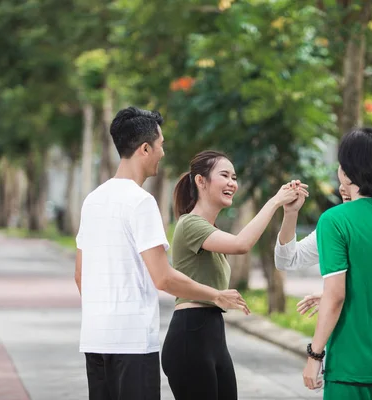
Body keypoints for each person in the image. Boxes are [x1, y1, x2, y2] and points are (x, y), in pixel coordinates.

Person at [75, 108, 249, 400]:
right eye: (160, 145)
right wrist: (215, 295)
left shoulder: (92, 200)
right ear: (145, 149)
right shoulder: (141, 202)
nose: (163, 153)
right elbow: (163, 277)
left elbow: (81, 276)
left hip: (94, 339)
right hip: (131, 342)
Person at [161, 150, 307, 400]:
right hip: (190, 337)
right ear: (200, 180)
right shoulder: (190, 224)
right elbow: (242, 244)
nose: (232, 183)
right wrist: (274, 201)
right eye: (225, 175)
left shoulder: (210, 230)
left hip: (214, 335)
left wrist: (290, 211)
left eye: (234, 177)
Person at [275, 176, 372, 399]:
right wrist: (290, 214)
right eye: (344, 187)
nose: (345, 191)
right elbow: (287, 260)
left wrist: (315, 354)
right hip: (367, 352)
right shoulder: (337, 225)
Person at [297, 128, 372, 399]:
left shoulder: (335, 220)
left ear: (345, 172)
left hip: (352, 369)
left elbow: (336, 294)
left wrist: (315, 354)